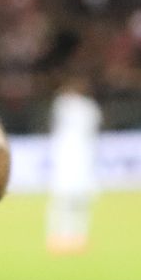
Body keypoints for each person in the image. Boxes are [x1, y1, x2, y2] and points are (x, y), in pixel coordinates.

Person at [46, 77, 102, 253]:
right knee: (72, 202)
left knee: (65, 202)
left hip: (75, 159)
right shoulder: (85, 107)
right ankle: (70, 236)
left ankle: (62, 236)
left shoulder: (65, 105)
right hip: (76, 160)